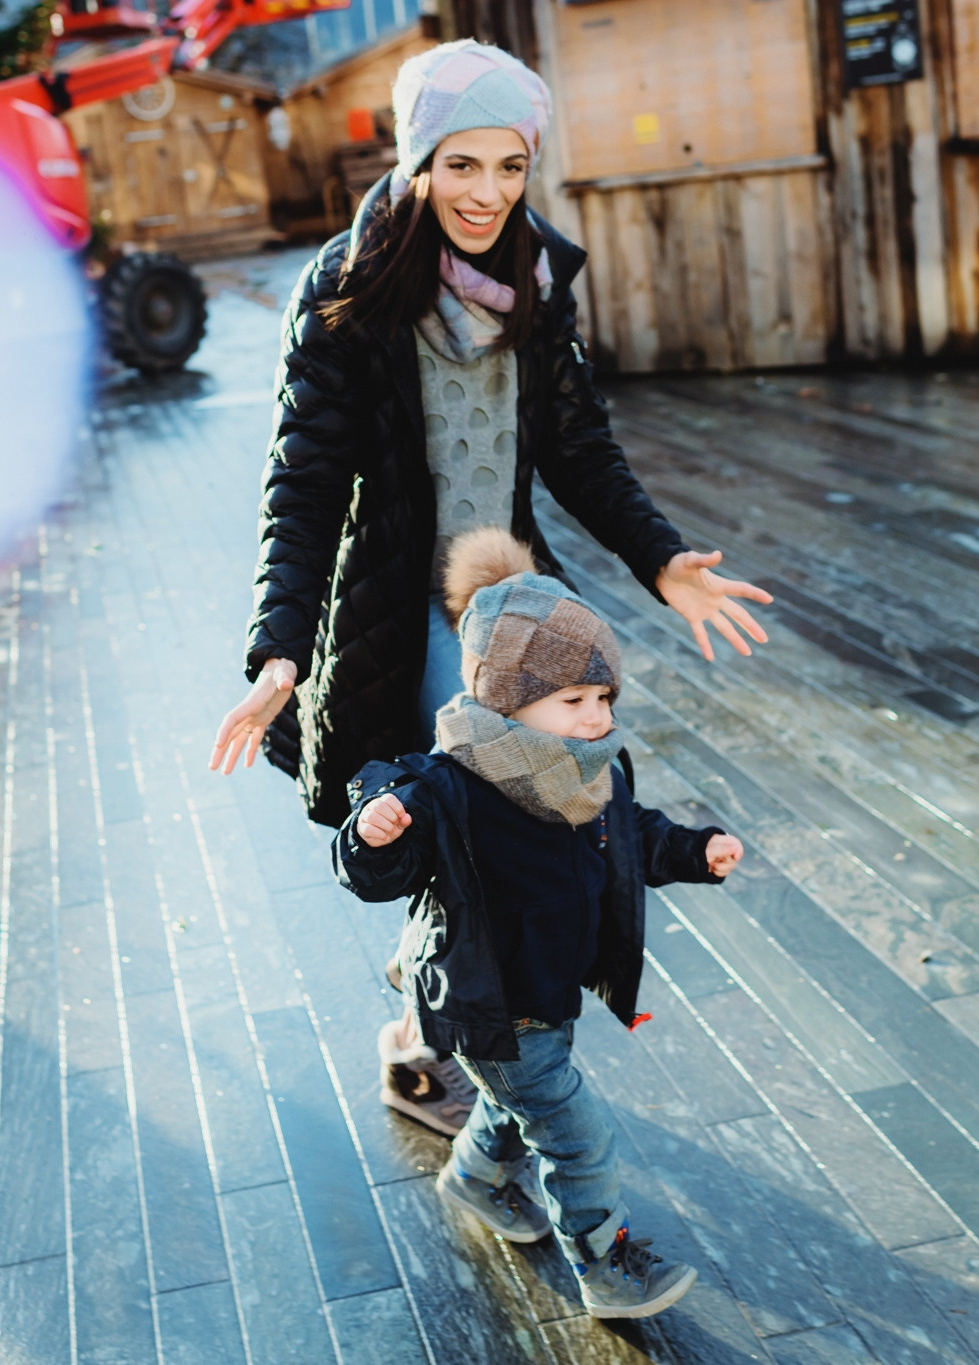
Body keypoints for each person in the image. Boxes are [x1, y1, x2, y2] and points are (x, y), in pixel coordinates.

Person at [208, 39, 771, 1133]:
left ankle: (433, 1024)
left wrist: (659, 561)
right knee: (466, 829)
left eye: (508, 167)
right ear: (418, 160)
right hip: (396, 609)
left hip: (509, 602)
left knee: (526, 826)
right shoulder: (347, 293)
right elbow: (304, 488)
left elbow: (578, 449)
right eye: (460, 166)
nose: (486, 194)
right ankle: (427, 1046)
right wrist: (280, 650)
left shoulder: (534, 282)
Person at [333, 529, 742, 1318]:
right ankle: (606, 1266)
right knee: (574, 1132)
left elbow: (637, 836)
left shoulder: (590, 770)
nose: (596, 718)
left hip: (549, 992)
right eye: (574, 701)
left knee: (514, 1106)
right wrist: (371, 833)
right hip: (488, 1002)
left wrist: (696, 850)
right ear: (508, 704)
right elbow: (376, 874)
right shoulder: (447, 787)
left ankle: (476, 1179)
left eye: (604, 699)